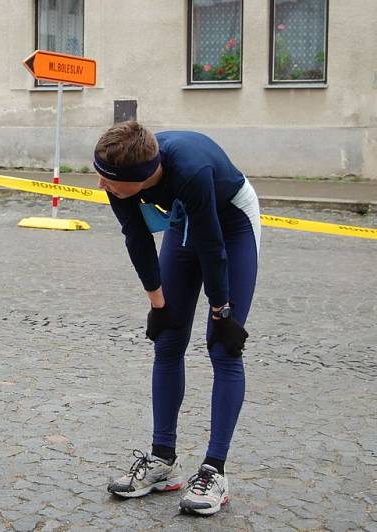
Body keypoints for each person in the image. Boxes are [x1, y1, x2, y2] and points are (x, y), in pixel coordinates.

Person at [93, 121, 260, 515]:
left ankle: (214, 470)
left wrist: (222, 313)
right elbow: (137, 237)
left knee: (223, 346)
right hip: (187, 221)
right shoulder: (118, 173)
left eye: (108, 181)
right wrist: (158, 304)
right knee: (168, 340)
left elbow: (214, 247)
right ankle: (163, 461)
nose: (100, 186)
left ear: (139, 177)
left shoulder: (191, 169)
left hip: (232, 223)